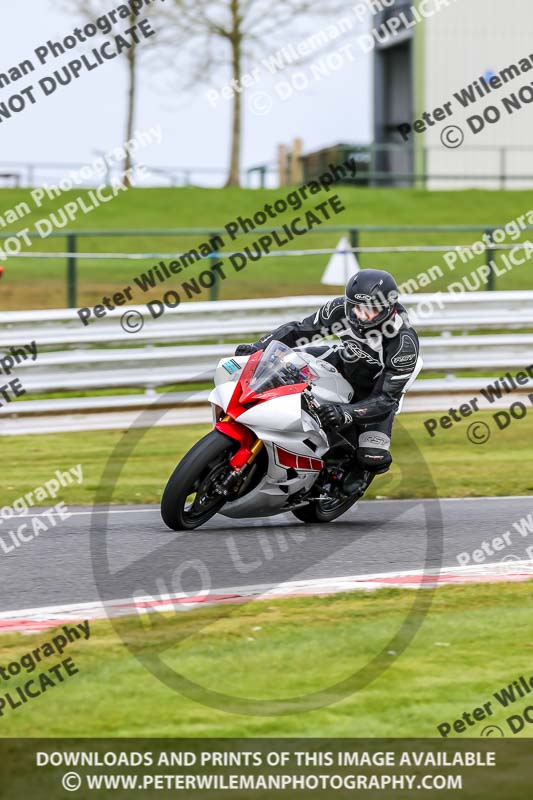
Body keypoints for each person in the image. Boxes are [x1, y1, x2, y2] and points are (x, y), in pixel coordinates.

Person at [235, 268, 422, 497]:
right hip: (342, 361)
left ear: (387, 307)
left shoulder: (402, 343)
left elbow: (385, 399)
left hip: (374, 391)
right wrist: (258, 348)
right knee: (283, 366)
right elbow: (298, 330)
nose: (361, 315)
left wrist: (347, 412)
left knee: (372, 457)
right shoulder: (340, 308)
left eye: (370, 310)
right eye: (357, 307)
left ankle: (358, 470)